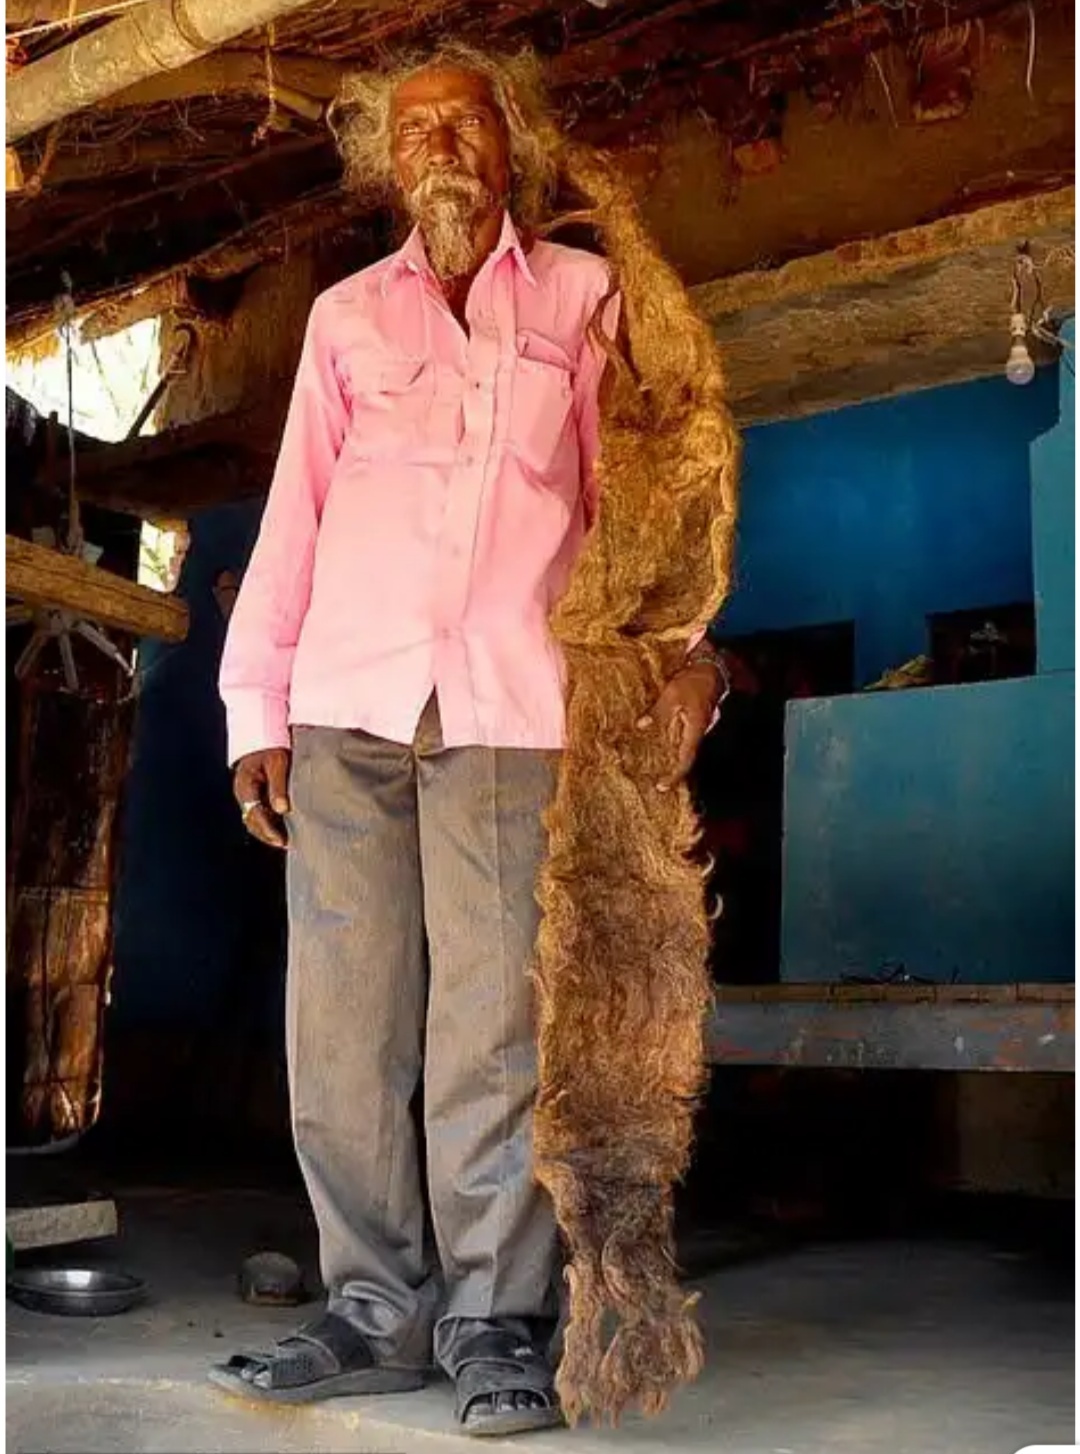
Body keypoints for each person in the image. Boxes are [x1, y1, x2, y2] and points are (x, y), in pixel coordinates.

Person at [210, 43, 729, 1437]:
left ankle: (495, 1319)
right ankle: (373, 1307)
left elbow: (654, 498)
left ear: (516, 145)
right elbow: (295, 523)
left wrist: (682, 660)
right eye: (416, 126)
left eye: (466, 120)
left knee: (497, 1025)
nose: (440, 143)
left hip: (513, 709)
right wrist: (256, 708)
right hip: (348, 704)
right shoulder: (342, 323)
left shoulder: (586, 298)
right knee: (341, 1021)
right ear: (389, 159)